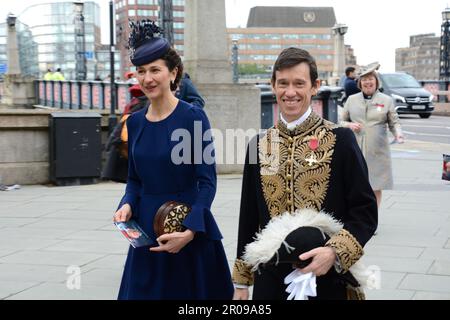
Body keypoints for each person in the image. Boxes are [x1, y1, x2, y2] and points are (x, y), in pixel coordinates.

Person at [232, 47, 378, 300]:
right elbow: (249, 217)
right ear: (273, 85)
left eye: (299, 83)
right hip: (271, 278)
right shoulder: (259, 144)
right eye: (283, 83)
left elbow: (364, 212)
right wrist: (242, 283)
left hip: (327, 276)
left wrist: (333, 252)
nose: (290, 92)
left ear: (315, 86)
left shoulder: (340, 139)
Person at [113, 19, 233, 300]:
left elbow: (206, 182)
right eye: (141, 71)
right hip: (146, 237)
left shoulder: (192, 117)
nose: (147, 78)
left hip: (188, 233)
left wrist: (190, 231)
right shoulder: (136, 122)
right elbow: (134, 180)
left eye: (155, 70)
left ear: (173, 73)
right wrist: (126, 204)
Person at [341, 63, 404, 209]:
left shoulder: (386, 100)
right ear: (359, 83)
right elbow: (341, 121)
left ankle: (373, 219)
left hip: (378, 150)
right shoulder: (352, 100)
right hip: (355, 149)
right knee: (355, 185)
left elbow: (394, 122)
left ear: (376, 81)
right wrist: (349, 125)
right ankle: (357, 217)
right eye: (364, 79)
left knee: (375, 186)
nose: (367, 82)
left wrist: (398, 134)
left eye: (370, 79)